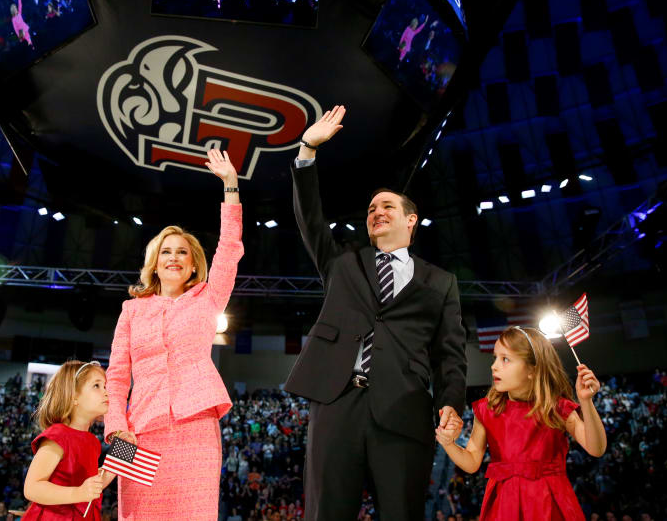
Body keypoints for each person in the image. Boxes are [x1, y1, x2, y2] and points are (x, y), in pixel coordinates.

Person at [285, 105, 467, 520]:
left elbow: (450, 355)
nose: (376, 212)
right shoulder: (343, 264)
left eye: (386, 206)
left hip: (404, 412)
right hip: (336, 404)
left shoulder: (441, 283)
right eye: (370, 210)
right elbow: (311, 219)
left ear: (411, 220)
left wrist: (451, 403)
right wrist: (308, 150)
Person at [105, 148, 243, 521]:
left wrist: (230, 185)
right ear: (154, 261)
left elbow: (229, 251)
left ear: (193, 262)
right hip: (137, 432)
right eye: (166, 251)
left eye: (183, 251)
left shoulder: (207, 298)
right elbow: (116, 377)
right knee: (134, 514)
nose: (174, 257)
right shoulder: (131, 310)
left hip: (195, 427)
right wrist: (117, 428)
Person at [435, 326, 607, 520]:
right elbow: (472, 462)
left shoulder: (556, 408)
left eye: (505, 359)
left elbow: (596, 448)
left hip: (550, 503)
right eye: (495, 358)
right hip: (504, 506)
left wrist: (586, 402)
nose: (494, 366)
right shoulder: (487, 410)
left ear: (532, 370)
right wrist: (448, 443)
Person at [21, 360, 115, 521]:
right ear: (73, 397)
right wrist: (78, 493)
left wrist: (125, 450)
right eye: (96, 386)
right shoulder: (58, 435)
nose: (106, 392)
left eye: (105, 386)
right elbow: (32, 488)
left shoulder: (92, 441)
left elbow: (93, 485)